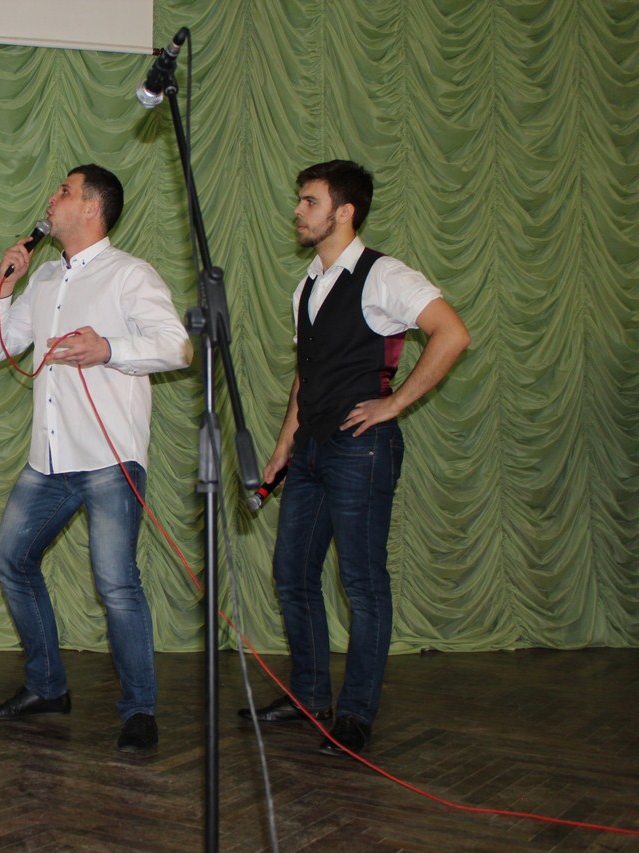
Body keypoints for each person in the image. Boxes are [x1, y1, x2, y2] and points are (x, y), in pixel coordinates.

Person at [238, 160, 470, 756]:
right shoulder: (306, 285)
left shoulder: (384, 275)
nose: (298, 211)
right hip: (311, 450)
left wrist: (394, 404)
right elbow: (306, 374)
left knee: (362, 583)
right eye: (300, 200)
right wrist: (284, 445)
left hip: (361, 450)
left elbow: (452, 334)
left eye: (310, 202)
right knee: (292, 574)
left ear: (344, 212)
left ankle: (357, 714)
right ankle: (310, 698)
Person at [0, 164, 192, 753]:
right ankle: (47, 687)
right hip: (47, 458)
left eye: (64, 191)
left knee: (116, 583)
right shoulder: (44, 277)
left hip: (108, 457)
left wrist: (108, 348)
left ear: (93, 208)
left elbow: (178, 346)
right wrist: (3, 289)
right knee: (10, 559)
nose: (52, 198)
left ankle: (140, 710)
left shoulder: (130, 274)